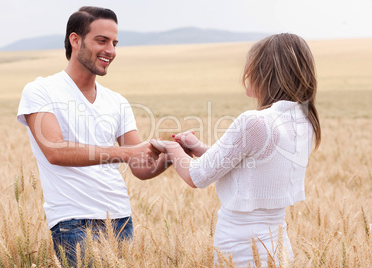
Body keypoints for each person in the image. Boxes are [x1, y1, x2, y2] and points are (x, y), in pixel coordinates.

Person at [17, 6, 170, 265]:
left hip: (121, 219)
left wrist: (170, 154)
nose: (111, 50)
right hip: (73, 222)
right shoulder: (41, 91)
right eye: (102, 40)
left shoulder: (117, 101)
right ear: (75, 40)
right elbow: (55, 151)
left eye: (114, 42)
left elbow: (140, 166)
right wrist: (125, 153)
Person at [151, 33, 321, 266]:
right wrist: (200, 148)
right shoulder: (303, 121)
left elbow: (196, 176)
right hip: (278, 246)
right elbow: (253, 163)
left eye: (251, 65)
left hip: (241, 248)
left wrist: (171, 148)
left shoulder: (255, 121)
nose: (246, 72)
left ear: (265, 71)